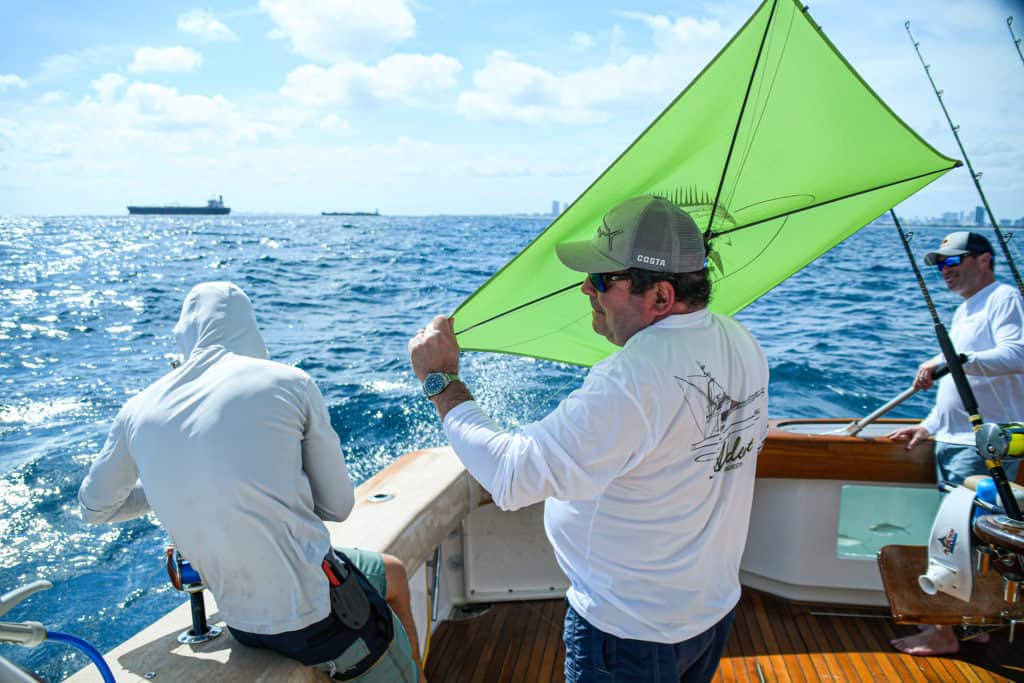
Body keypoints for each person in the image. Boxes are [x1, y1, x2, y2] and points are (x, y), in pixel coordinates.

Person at [409, 196, 769, 682]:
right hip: (708, 612)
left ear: (661, 297)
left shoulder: (632, 380)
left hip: (627, 633)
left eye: (602, 280)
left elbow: (513, 478)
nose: (586, 289)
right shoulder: (739, 341)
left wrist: (441, 381)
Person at [78, 281, 423, 682]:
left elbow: (95, 508)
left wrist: (181, 485)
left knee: (392, 572)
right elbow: (337, 506)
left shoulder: (135, 411)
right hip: (320, 620)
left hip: (244, 625)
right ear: (248, 327)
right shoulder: (290, 382)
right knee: (386, 636)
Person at [888, 231, 1024, 657]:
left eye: (953, 262)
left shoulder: (1004, 298)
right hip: (953, 438)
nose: (944, 271)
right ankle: (969, 627)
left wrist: (956, 360)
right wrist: (929, 424)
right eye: (939, 265)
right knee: (962, 539)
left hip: (981, 443)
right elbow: (958, 386)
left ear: (984, 260)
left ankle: (945, 633)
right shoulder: (967, 309)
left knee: (957, 541)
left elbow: (1018, 354)